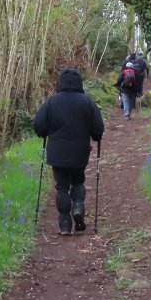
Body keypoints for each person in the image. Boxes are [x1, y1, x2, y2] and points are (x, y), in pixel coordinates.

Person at [33, 68, 105, 235]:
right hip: (80, 152)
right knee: (78, 181)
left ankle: (65, 224)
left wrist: (45, 133)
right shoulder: (87, 102)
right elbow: (98, 129)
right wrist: (94, 136)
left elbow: (39, 125)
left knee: (62, 187)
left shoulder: (52, 101)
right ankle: (78, 206)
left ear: (61, 82)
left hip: (57, 153)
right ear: (80, 83)